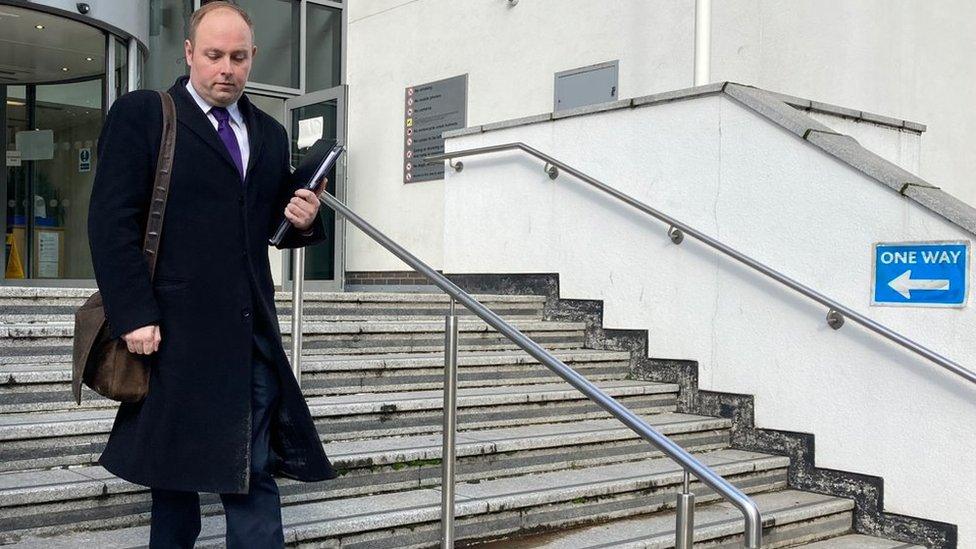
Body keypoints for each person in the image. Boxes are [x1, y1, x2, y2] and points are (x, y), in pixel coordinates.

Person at [87, 2, 336, 547]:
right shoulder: (145, 114)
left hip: (249, 332)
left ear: (253, 58)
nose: (227, 68)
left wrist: (301, 219)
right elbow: (111, 222)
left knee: (255, 471)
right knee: (173, 484)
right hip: (171, 333)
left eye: (239, 57)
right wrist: (134, 313)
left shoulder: (268, 133)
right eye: (215, 55)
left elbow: (267, 224)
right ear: (189, 54)